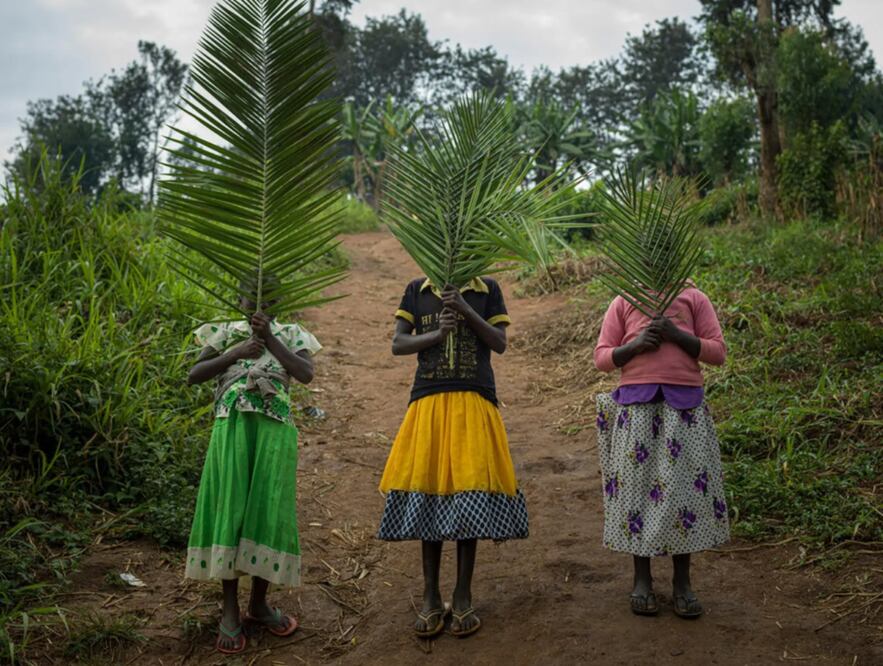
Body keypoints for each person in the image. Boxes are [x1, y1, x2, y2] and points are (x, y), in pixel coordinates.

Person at [378, 277, 528, 638]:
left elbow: (499, 343)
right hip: (429, 401)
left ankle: (462, 595)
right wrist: (437, 335)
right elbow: (399, 344)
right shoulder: (417, 290)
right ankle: (430, 596)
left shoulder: (487, 289)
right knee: (429, 493)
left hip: (474, 400)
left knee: (468, 495)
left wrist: (464, 309)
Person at [185, 287, 320, 654]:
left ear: (282, 301)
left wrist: (270, 338)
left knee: (266, 510)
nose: (261, 303)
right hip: (231, 428)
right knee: (232, 509)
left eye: (271, 297)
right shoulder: (224, 331)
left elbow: (305, 373)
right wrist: (236, 352)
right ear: (239, 299)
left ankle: (259, 604)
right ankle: (230, 610)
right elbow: (195, 374)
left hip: (274, 432)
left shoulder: (292, 334)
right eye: (252, 296)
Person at [593, 284, 730, 618]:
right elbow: (602, 359)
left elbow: (717, 353)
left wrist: (676, 335)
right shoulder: (624, 300)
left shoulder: (693, 297)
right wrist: (637, 345)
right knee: (636, 493)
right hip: (636, 410)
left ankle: (682, 582)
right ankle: (642, 580)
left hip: (683, 411)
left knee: (683, 495)